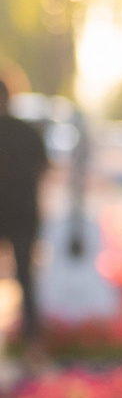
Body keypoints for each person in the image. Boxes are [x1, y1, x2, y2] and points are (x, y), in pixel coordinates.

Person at [0, 68, 45, 354]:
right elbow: (43, 170)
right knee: (26, 278)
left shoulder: (26, 131)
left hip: (17, 214)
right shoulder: (29, 132)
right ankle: (32, 340)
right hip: (24, 214)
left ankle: (32, 339)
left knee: (26, 278)